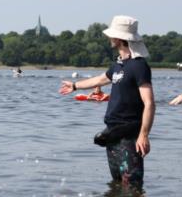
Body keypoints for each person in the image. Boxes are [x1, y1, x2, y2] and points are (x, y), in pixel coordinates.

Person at [59, 15, 155, 188]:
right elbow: (100, 80)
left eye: (112, 35)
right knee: (117, 185)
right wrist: (75, 86)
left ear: (119, 38)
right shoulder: (118, 65)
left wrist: (144, 135)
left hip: (129, 135)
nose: (109, 38)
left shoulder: (139, 66)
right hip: (113, 134)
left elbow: (149, 103)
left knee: (131, 187)